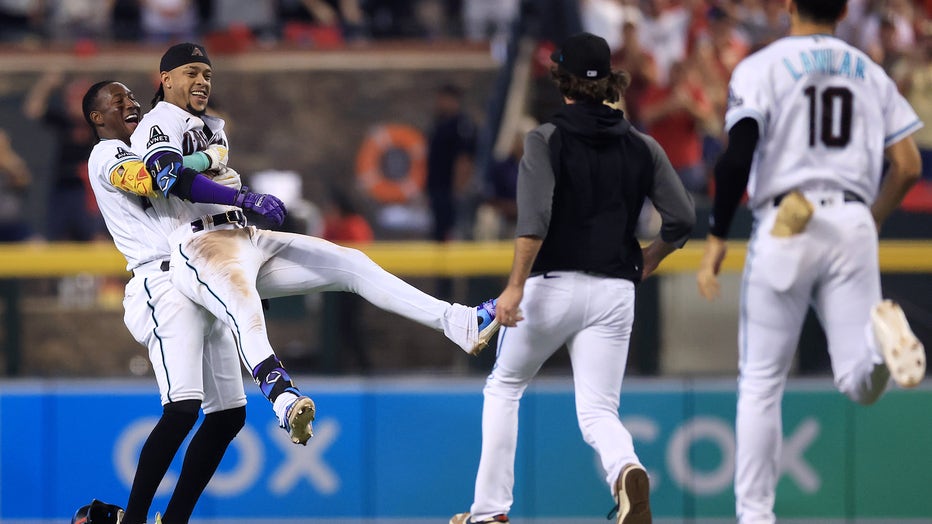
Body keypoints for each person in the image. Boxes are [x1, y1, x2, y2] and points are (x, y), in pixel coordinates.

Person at [128, 40, 501, 415]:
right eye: (191, 73)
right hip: (197, 243)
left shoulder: (212, 127)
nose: (202, 81)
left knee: (350, 263)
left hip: (241, 236)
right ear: (166, 79)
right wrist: (245, 199)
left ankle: (459, 321)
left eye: (207, 74)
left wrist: (243, 207)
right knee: (246, 309)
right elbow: (168, 177)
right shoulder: (158, 121)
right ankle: (284, 399)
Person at [695, 1, 927, 522]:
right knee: (856, 380)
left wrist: (715, 236)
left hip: (787, 220)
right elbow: (909, 165)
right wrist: (873, 218)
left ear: (787, 5)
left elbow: (737, 155)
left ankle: (755, 517)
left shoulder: (761, 64)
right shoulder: (870, 69)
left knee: (760, 383)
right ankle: (880, 349)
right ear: (843, 9)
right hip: (852, 218)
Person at [451, 32, 695, 524]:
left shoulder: (545, 139)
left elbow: (534, 219)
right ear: (609, 82)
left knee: (504, 389)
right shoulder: (642, 145)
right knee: (599, 412)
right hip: (615, 292)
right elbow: (683, 218)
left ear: (559, 80)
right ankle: (626, 468)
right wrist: (652, 258)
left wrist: (515, 286)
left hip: (550, 288)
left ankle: (489, 513)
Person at [83, 79, 304, 524]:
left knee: (228, 417)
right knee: (182, 408)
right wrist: (212, 166)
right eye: (117, 100)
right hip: (160, 280)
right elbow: (153, 180)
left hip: (201, 273)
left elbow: (190, 174)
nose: (129, 103)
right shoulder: (106, 153)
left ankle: (176, 520)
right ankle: (136, 520)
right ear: (97, 118)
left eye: (131, 97)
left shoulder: (154, 143)